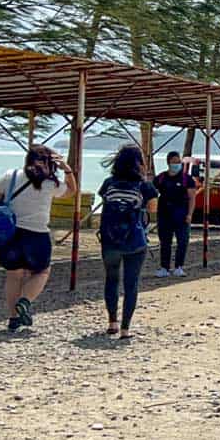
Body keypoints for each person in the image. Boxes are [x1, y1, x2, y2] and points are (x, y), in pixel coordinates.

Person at [0, 145, 76, 333]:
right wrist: (66, 169)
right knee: (42, 272)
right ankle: (25, 300)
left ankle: (13, 318)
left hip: (11, 234)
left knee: (14, 275)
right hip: (37, 234)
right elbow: (71, 191)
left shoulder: (10, 175)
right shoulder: (49, 184)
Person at [98, 144, 158, 339]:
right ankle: (125, 329)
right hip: (135, 240)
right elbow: (152, 210)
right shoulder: (144, 186)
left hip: (110, 240)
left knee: (111, 279)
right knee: (131, 284)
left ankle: (112, 322)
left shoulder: (108, 183)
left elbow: (106, 205)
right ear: (139, 163)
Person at [152, 151, 197, 278]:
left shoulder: (186, 179)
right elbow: (151, 192)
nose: (176, 164)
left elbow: (192, 198)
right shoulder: (161, 178)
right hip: (164, 215)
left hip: (181, 215)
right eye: (174, 162)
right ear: (168, 163)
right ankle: (164, 267)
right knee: (165, 242)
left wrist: (190, 214)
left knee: (182, 242)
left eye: (178, 162)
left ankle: (179, 267)